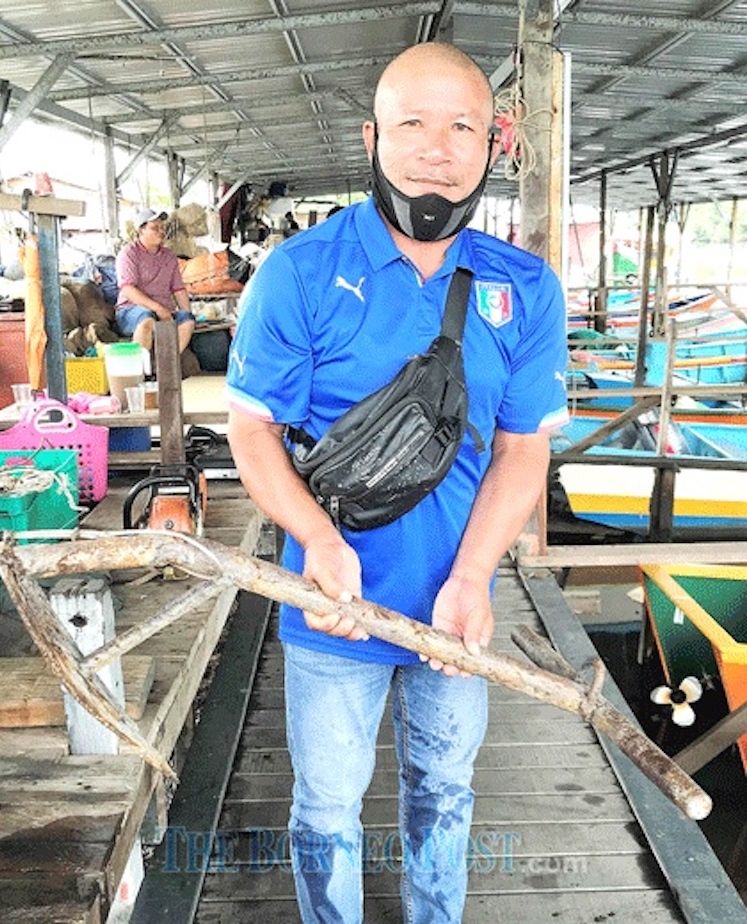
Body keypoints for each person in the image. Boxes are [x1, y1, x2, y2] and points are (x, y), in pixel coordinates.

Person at [227, 42, 568, 923]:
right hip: (333, 598)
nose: (437, 146)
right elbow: (253, 428)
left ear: (494, 143)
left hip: (457, 607)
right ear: (372, 137)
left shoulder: (522, 285)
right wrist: (318, 540)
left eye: (462, 125)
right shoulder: (298, 271)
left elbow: (523, 447)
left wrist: (472, 575)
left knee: (443, 792)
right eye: (413, 122)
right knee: (329, 806)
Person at [114, 208, 196, 354]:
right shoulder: (129, 253)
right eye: (154, 228)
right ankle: (139, 373)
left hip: (164, 312)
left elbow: (178, 289)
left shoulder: (169, 256)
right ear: (141, 230)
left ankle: (168, 364)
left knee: (187, 321)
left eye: (162, 227)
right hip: (131, 310)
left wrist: (188, 313)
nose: (161, 231)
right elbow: (128, 289)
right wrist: (158, 309)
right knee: (146, 320)